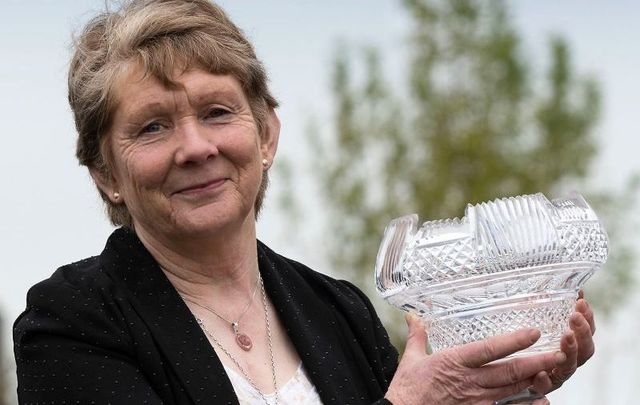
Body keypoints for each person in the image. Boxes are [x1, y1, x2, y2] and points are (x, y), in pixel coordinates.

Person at [13, 1, 596, 404]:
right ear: (105, 174)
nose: (195, 147)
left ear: (266, 135)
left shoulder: (339, 309)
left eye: (217, 112)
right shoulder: (69, 324)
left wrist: (511, 386)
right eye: (152, 128)